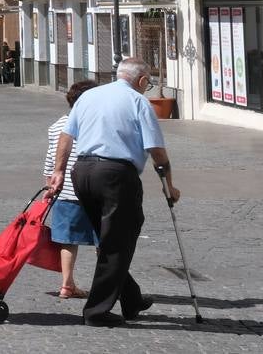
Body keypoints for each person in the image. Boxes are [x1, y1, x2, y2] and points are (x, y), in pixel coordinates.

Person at [47, 58, 181, 327]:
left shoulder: (90, 96)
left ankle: (131, 298)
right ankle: (97, 311)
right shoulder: (138, 101)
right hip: (116, 176)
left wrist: (59, 171)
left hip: (82, 172)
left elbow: (66, 135)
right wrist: (169, 185)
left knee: (107, 238)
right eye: (148, 83)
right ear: (142, 81)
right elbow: (156, 149)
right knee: (118, 241)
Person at [43, 80, 99, 299]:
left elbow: (51, 157)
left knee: (68, 240)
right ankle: (105, 285)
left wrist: (50, 182)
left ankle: (67, 284)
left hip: (65, 190)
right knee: (103, 238)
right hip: (92, 188)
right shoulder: (95, 124)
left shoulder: (58, 125)